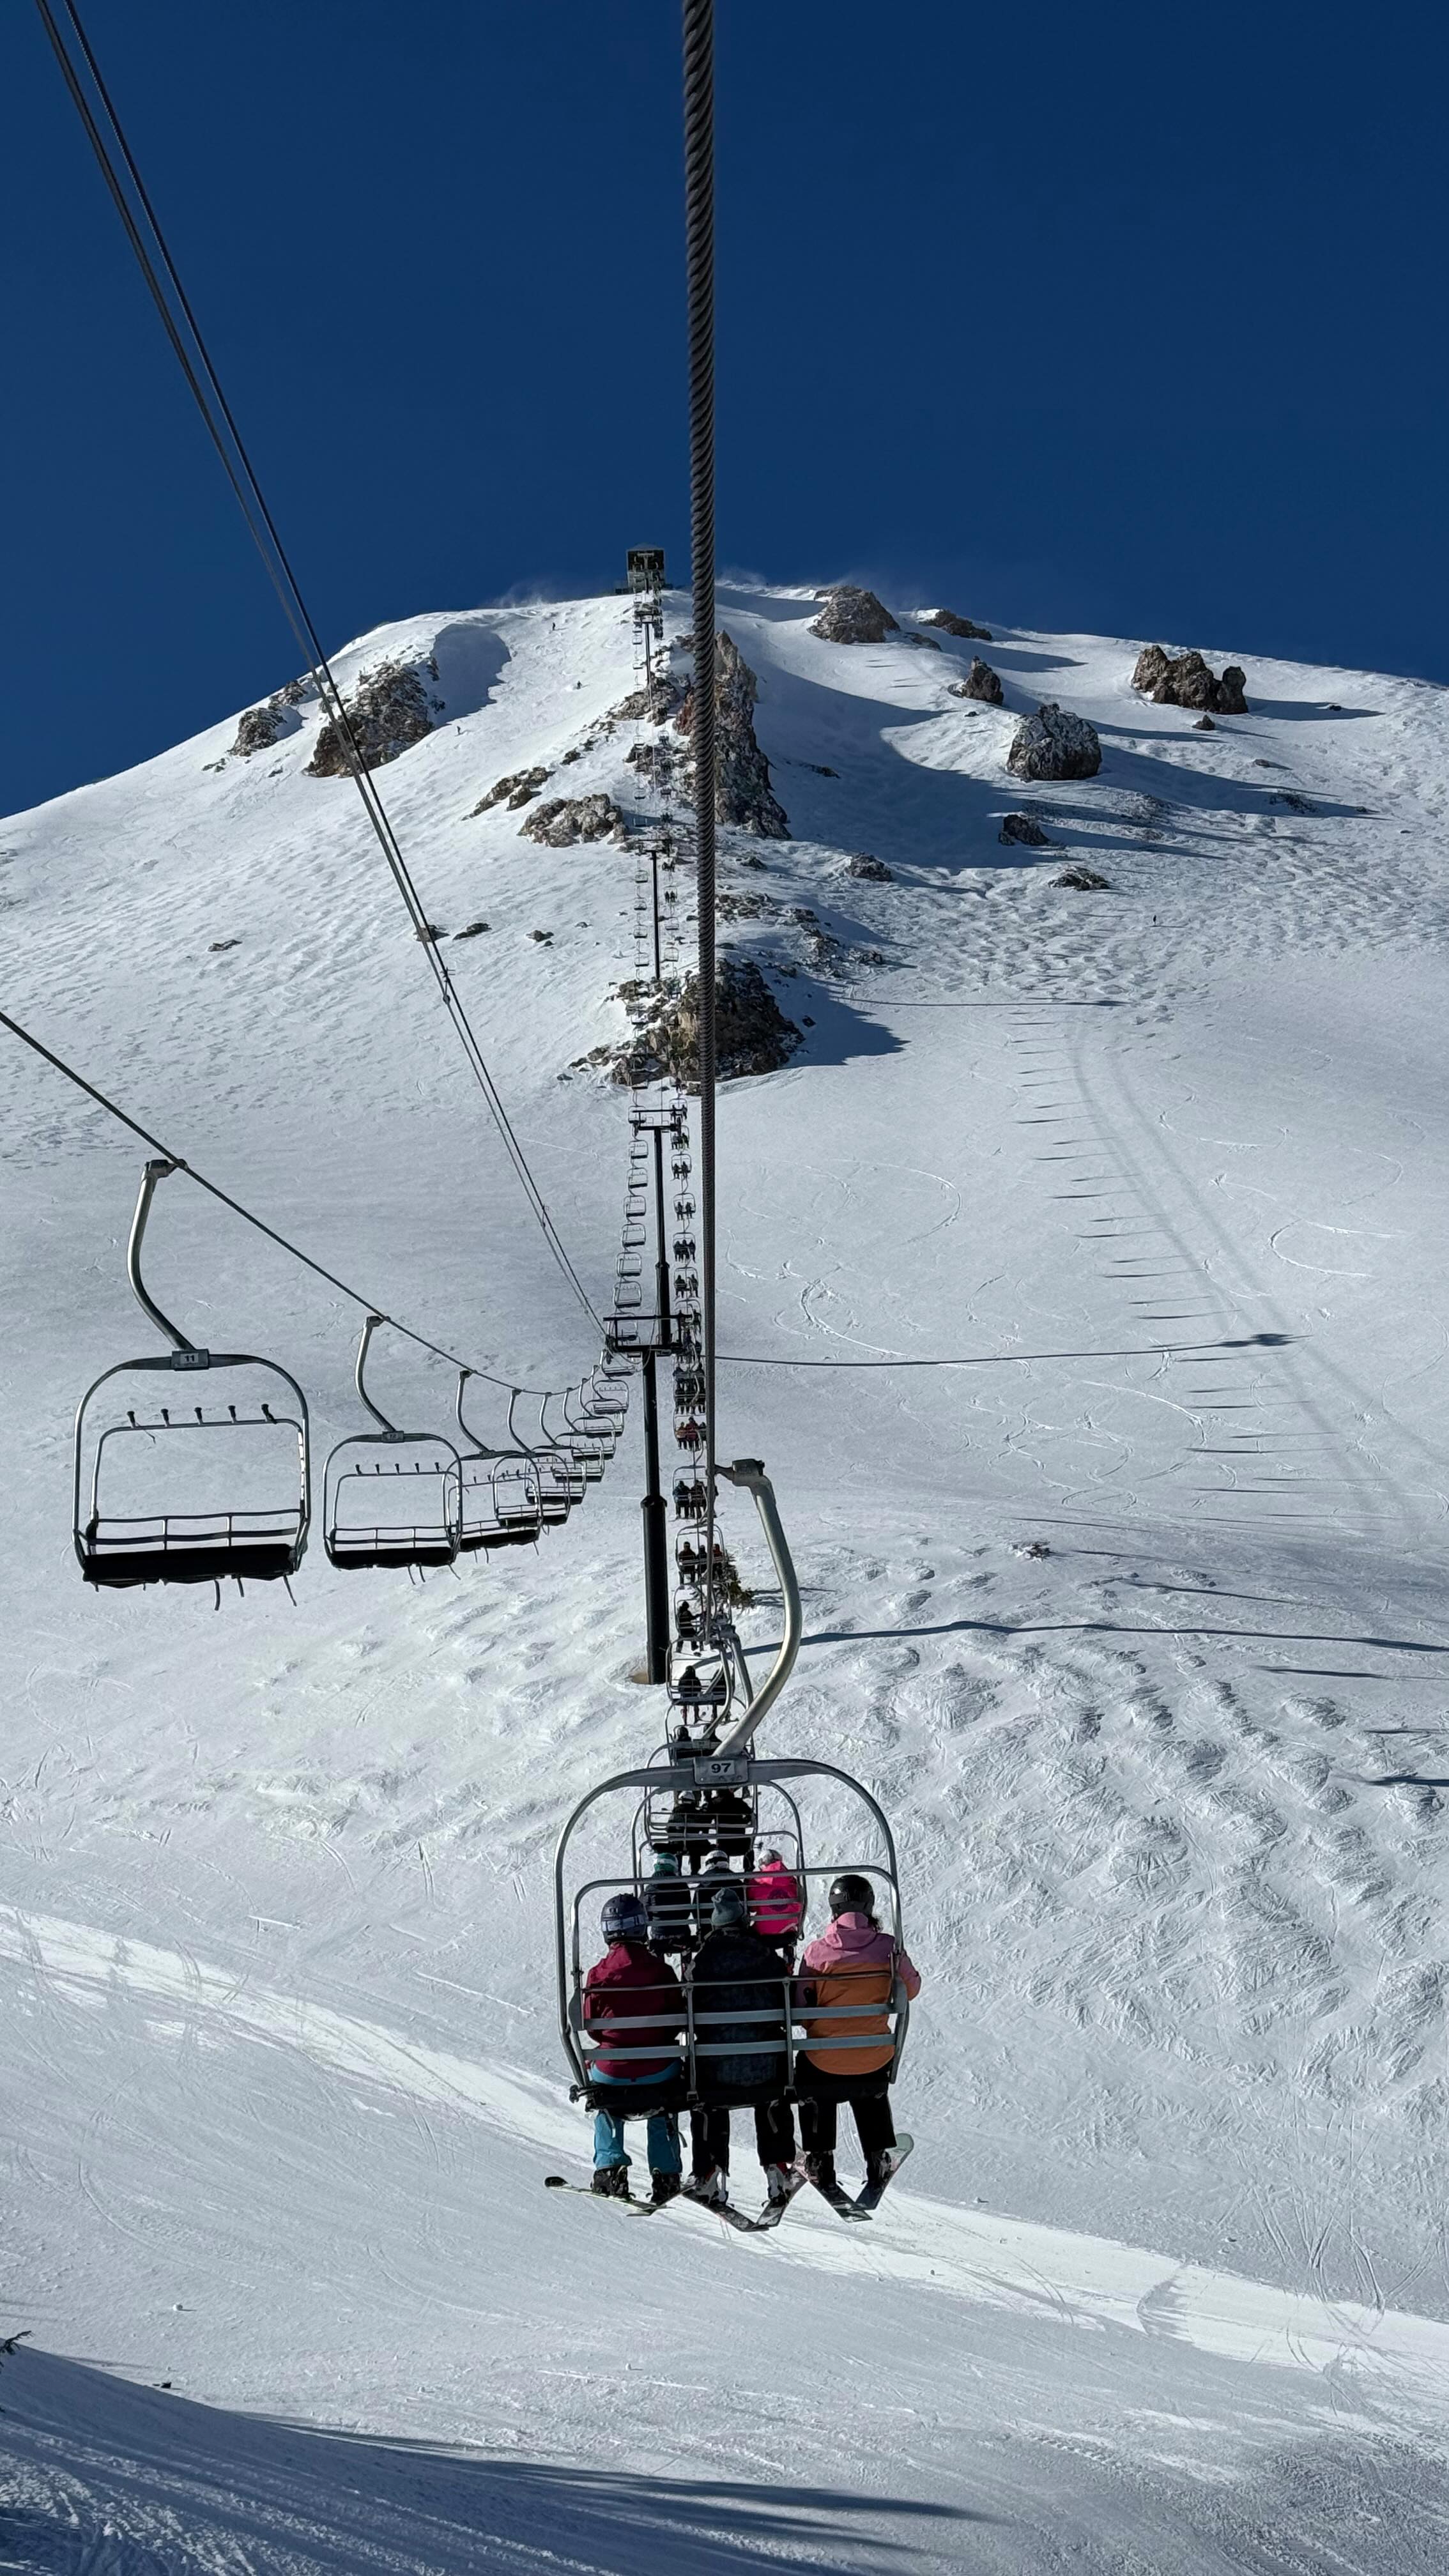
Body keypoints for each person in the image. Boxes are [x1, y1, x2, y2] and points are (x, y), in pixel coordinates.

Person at [794, 1874, 921, 2196]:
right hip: (874, 2058)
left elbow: (799, 2005)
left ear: (834, 1908)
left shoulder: (817, 1954)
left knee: (811, 2078)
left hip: (824, 2061)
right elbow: (913, 1989)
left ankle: (820, 2159)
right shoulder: (889, 1949)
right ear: (869, 1906)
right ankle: (877, 2156)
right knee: (869, 2090)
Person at [684, 1882, 796, 2207]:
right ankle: (777, 2168)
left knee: (708, 2102)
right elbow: (786, 1999)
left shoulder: (701, 1961)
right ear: (744, 1920)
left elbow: (686, 2009)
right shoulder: (763, 1955)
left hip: (714, 2070)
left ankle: (708, 2171)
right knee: (773, 2097)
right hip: (765, 2070)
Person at [583, 1892, 685, 2202]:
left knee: (606, 2103)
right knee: (662, 2105)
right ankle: (666, 2173)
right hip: (658, 2069)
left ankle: (610, 2169)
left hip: (612, 2071)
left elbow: (590, 2025)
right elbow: (676, 2020)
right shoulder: (661, 1972)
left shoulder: (598, 1975)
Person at [747, 1848, 804, 1959]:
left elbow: (751, 1907)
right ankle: (788, 1954)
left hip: (763, 1933)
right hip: (788, 1930)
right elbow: (801, 1903)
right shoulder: (793, 1879)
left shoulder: (756, 1882)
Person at [643, 1851, 694, 1954]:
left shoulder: (650, 1887)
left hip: (659, 1934)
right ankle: (687, 1962)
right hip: (681, 1931)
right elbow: (687, 1911)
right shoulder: (682, 1885)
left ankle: (658, 1963)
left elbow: (646, 1913)